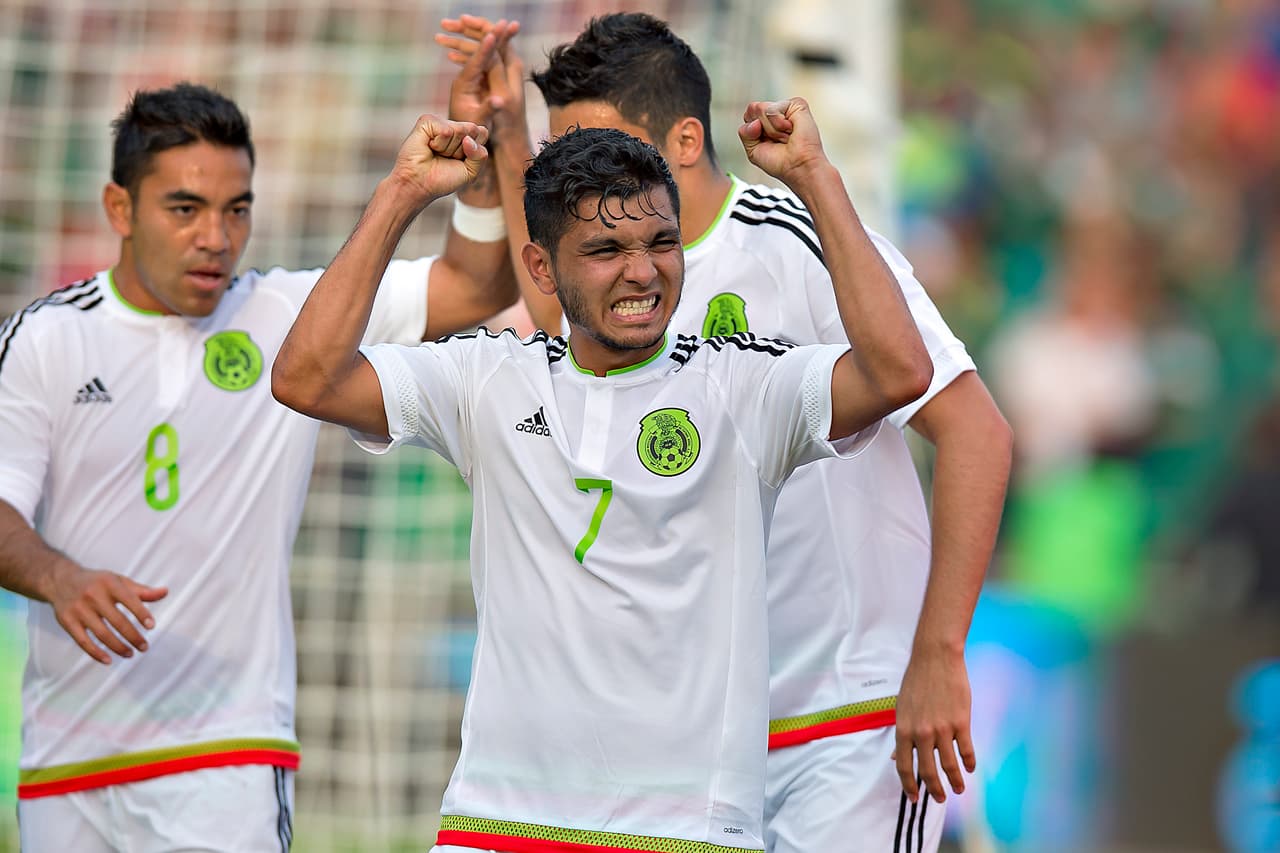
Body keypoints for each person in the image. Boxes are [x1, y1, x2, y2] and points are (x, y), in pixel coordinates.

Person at [270, 96, 931, 851]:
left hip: (684, 832)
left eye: (661, 242)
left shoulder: (745, 386)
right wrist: (400, 196)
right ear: (541, 268)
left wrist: (814, 176)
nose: (643, 272)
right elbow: (307, 379)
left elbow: (899, 371)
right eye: (606, 250)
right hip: (499, 824)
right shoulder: (486, 379)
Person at [433, 12, 1014, 851]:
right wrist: (512, 141)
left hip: (844, 713)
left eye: (591, 147)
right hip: (696, 753)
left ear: (684, 140)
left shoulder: (797, 245)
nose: (576, 174)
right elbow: (550, 294)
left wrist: (938, 652)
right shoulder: (613, 284)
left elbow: (976, 431)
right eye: (561, 154)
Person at [0, 73, 517, 851]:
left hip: (226, 756)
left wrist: (478, 166)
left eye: (235, 210)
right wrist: (60, 577)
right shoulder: (46, 337)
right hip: (67, 761)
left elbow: (473, 287)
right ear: (119, 210)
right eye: (185, 209)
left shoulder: (286, 315)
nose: (216, 235)